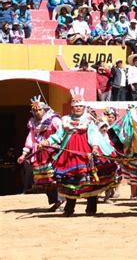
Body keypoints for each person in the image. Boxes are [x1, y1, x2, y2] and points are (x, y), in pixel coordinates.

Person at [39, 88, 120, 217]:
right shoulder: (65, 120)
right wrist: (47, 142)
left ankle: (91, 209)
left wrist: (94, 147)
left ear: (84, 107)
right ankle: (69, 209)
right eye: (76, 106)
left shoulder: (88, 120)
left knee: (90, 180)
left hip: (85, 153)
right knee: (70, 181)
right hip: (69, 155)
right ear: (72, 107)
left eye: (81, 106)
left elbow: (93, 134)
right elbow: (58, 135)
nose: (78, 108)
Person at [17, 96, 64, 211]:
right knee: (45, 180)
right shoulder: (33, 123)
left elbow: (62, 134)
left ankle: (63, 200)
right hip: (39, 154)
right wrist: (24, 154)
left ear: (45, 109)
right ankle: (56, 201)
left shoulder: (54, 120)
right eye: (35, 110)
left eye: (39, 110)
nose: (37, 112)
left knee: (56, 177)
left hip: (53, 153)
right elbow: (30, 139)